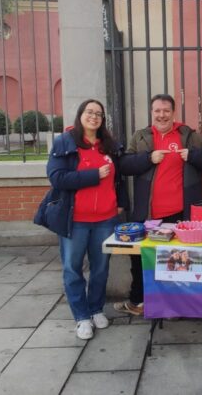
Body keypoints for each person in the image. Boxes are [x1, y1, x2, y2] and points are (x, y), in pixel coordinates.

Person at [115, 93, 202, 315]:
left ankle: (175, 306)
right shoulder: (141, 137)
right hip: (147, 214)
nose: (162, 115)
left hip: (180, 214)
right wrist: (148, 158)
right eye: (157, 111)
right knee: (139, 259)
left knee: (178, 261)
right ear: (152, 113)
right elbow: (124, 165)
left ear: (173, 113)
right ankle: (138, 302)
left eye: (166, 111)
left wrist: (193, 155)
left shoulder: (189, 136)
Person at [39, 99, 128, 340]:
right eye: (89, 112)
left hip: (106, 219)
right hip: (75, 219)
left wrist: (121, 201)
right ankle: (81, 316)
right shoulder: (65, 142)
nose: (94, 116)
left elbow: (118, 178)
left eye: (99, 113)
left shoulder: (109, 145)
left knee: (101, 268)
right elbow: (57, 178)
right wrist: (93, 175)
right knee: (72, 268)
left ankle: (96, 309)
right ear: (80, 115)